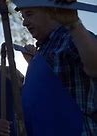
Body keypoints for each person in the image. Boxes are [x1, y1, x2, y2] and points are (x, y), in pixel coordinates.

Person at [14, 0, 97, 135]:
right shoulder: (42, 50)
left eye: (29, 14)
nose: (24, 22)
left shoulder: (70, 37)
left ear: (50, 11)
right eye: (23, 17)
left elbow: (95, 67)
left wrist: (74, 25)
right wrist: (34, 64)